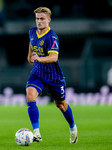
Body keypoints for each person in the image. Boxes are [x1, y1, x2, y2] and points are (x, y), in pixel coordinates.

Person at [26, 7, 78, 144]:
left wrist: (39, 59)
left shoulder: (52, 36)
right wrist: (31, 58)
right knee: (30, 96)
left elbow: (54, 57)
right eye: (37, 19)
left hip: (54, 77)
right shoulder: (32, 32)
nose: (39, 21)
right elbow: (31, 51)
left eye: (42, 19)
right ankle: (36, 133)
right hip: (37, 74)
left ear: (49, 20)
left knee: (60, 105)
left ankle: (73, 128)